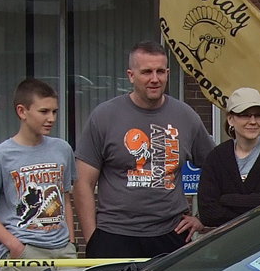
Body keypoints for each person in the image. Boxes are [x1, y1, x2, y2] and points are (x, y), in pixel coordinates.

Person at [73, 40, 214, 258]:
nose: (154, 79)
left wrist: (202, 217)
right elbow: (83, 182)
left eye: (160, 72)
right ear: (131, 75)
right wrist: (93, 239)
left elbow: (216, 169)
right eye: (146, 72)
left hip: (171, 234)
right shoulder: (104, 117)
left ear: (168, 73)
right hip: (114, 235)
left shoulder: (186, 117)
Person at [0, 78, 77, 271]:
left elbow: (66, 197)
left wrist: (71, 241)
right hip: (25, 248)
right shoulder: (0, 156)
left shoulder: (62, 149)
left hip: (63, 250)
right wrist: (14, 245)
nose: (51, 118)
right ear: (22, 111)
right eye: (44, 111)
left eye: (54, 112)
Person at [197, 87, 260, 228]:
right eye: (244, 115)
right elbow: (208, 213)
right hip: (229, 242)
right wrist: (258, 207)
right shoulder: (217, 157)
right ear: (231, 119)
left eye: (258, 115)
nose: (252, 121)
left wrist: (228, 199)